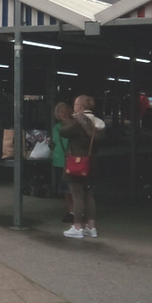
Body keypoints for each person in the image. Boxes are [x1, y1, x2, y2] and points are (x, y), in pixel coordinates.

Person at [61, 95, 106, 239]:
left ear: (80, 107)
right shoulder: (99, 123)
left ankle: (77, 227)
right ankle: (91, 228)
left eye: (75, 105)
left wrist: (72, 118)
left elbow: (63, 131)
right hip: (92, 162)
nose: (73, 107)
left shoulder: (76, 122)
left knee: (77, 196)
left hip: (77, 162)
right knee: (89, 195)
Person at [49, 102, 74, 223]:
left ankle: (78, 211)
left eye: (66, 110)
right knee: (65, 189)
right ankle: (71, 212)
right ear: (57, 115)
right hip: (60, 161)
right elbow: (54, 143)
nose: (64, 113)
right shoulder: (56, 127)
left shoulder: (74, 126)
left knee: (75, 188)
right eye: (61, 112)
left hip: (73, 160)